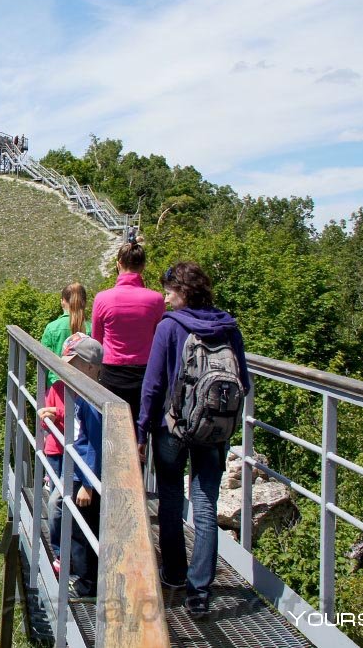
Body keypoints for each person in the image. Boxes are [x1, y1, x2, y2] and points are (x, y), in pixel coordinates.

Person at [138, 261, 251, 620]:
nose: (165, 298)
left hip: (171, 427)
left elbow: (153, 384)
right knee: (204, 504)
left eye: (170, 291)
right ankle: (199, 592)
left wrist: (142, 430)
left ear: (184, 292)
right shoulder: (228, 327)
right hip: (214, 430)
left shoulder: (169, 326)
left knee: (171, 498)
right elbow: (244, 383)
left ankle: (174, 574)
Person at [39, 334, 104, 598]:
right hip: (79, 470)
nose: (66, 371)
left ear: (89, 367)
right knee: (78, 527)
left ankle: (87, 586)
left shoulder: (92, 400)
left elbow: (96, 445)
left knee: (83, 532)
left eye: (72, 365)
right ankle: (85, 579)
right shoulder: (86, 394)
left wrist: (88, 484)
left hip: (84, 475)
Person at [38, 284, 91, 566]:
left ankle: (61, 551)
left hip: (57, 393)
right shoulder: (91, 327)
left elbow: (44, 361)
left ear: (62, 302)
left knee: (59, 446)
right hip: (85, 394)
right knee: (81, 441)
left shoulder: (52, 328)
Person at [91, 234, 163, 427]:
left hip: (111, 373)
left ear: (118, 264)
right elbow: (159, 338)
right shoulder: (156, 300)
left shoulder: (102, 298)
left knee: (113, 427)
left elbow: (97, 339)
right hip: (145, 374)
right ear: (143, 266)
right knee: (141, 427)